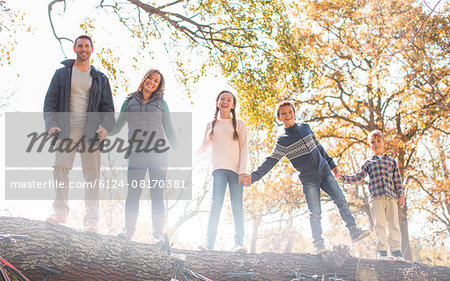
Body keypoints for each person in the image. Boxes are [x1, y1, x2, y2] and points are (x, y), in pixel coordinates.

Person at [242, 101, 369, 254]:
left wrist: (331, 163)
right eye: (284, 113)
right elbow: (270, 161)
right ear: (279, 118)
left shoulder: (306, 128)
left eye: (290, 112)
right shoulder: (282, 140)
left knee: (341, 199)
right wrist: (253, 177)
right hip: (309, 179)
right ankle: (318, 244)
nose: (287, 115)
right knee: (315, 212)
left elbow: (319, 146)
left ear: (294, 113)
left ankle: (353, 231)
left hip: (325, 172)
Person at [43, 35, 115, 232]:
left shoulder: (100, 78)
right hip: (67, 129)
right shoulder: (62, 74)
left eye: (87, 46)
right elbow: (50, 101)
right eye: (80, 46)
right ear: (74, 49)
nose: (83, 49)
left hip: (91, 131)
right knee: (60, 167)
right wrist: (51, 124)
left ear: (92, 49)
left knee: (92, 175)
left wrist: (106, 127)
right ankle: (60, 212)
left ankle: (91, 220)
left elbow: (108, 109)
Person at [112, 68, 178, 244]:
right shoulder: (129, 102)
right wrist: (102, 131)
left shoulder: (162, 104)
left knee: (157, 194)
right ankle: (128, 231)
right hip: (136, 154)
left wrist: (180, 151)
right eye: (150, 78)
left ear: (158, 86)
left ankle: (157, 235)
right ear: (144, 79)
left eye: (156, 81)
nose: (152, 82)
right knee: (133, 192)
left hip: (158, 155)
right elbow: (117, 127)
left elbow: (170, 130)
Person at [338, 130, 405, 260]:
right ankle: (382, 252)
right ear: (369, 146)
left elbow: (397, 180)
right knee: (379, 225)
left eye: (379, 141)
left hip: (391, 197)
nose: (376, 144)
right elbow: (357, 177)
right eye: (373, 142)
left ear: (384, 143)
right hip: (376, 198)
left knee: (393, 225)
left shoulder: (392, 162)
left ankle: (396, 251)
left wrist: (400, 195)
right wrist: (342, 177)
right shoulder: (368, 163)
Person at [196, 91, 248, 253]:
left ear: (233, 105)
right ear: (217, 102)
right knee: (215, 205)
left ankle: (239, 243)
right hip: (218, 171)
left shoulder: (239, 124)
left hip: (236, 171)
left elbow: (244, 148)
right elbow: (204, 147)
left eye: (228, 100)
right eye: (222, 99)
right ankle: (209, 242)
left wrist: (243, 172)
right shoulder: (211, 125)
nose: (225, 102)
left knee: (237, 206)